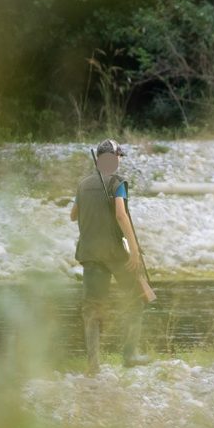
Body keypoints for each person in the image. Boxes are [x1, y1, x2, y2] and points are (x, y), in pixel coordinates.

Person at [70, 139, 151, 374]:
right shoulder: (118, 183)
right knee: (136, 297)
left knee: (92, 308)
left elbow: (73, 215)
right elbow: (121, 215)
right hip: (115, 253)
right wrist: (134, 250)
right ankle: (130, 355)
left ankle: (93, 365)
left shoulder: (82, 184)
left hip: (90, 254)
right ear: (114, 159)